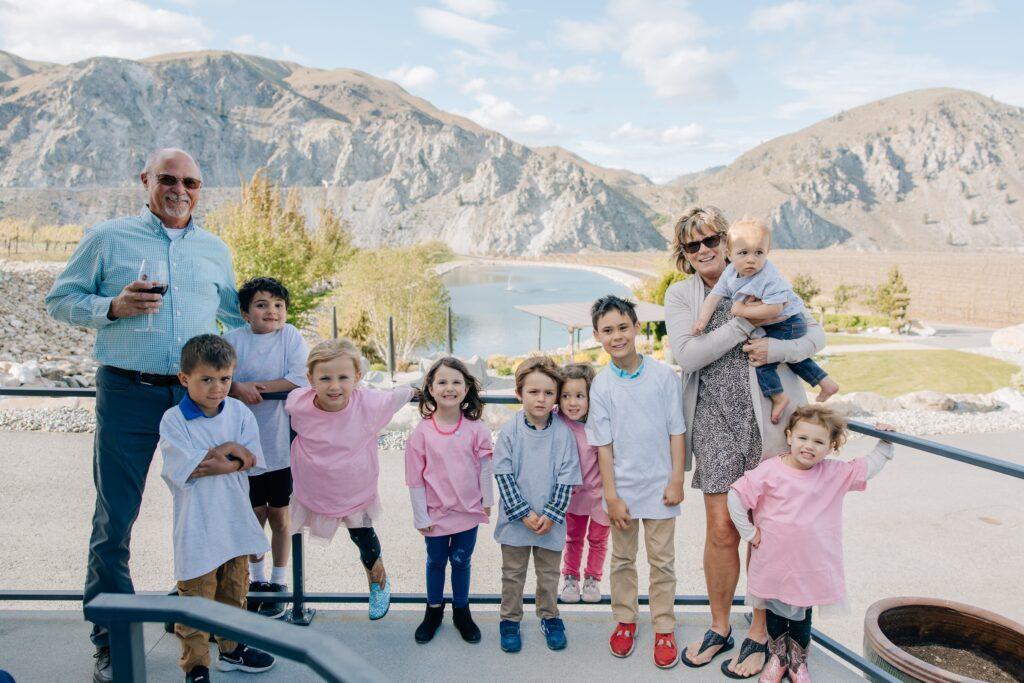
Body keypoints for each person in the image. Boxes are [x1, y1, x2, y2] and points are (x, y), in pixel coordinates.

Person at [45, 148, 244, 683]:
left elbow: (236, 314)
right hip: (128, 395)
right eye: (170, 179)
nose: (181, 190)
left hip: (196, 403)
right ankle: (111, 640)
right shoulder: (108, 237)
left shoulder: (214, 249)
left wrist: (293, 365)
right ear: (146, 181)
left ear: (201, 190)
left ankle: (217, 629)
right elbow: (59, 299)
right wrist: (111, 307)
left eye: (193, 182)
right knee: (115, 521)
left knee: (212, 516)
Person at [663, 206, 826, 678]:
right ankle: (719, 627)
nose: (704, 250)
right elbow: (687, 355)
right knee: (721, 531)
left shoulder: (768, 276)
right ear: (684, 254)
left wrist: (777, 348)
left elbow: (814, 336)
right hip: (713, 420)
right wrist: (743, 320)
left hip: (768, 423)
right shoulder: (681, 296)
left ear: (726, 241)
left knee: (763, 529)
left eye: (711, 239)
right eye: (692, 245)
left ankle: (758, 631)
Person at [728, 406, 895, 682]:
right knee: (774, 611)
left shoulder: (832, 473)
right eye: (803, 438)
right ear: (790, 436)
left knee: (801, 616)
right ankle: (778, 657)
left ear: (831, 447)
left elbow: (868, 466)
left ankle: (797, 662)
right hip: (774, 561)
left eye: (819, 442)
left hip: (809, 565)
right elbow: (736, 496)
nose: (809, 446)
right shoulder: (770, 470)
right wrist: (749, 532)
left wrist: (886, 442)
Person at [159, 334, 276, 682]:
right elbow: (190, 467)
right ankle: (196, 666)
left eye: (224, 379)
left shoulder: (239, 412)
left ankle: (231, 649)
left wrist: (223, 452)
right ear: (185, 379)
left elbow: (252, 459)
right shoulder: (173, 420)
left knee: (233, 592)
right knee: (195, 601)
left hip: (234, 522)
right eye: (206, 379)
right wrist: (230, 452)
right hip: (196, 527)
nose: (217, 387)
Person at [586, 295, 687, 670]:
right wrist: (610, 495)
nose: (617, 336)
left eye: (622, 328)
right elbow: (604, 446)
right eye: (608, 330)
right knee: (623, 559)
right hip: (622, 491)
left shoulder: (663, 376)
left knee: (662, 562)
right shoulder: (602, 386)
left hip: (661, 487)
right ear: (597, 335)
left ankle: (663, 625)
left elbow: (677, 432)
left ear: (637, 327)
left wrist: (676, 480)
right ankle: (625, 620)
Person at [285, 338, 414, 620]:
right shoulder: (298, 403)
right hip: (314, 487)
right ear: (310, 379)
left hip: (355, 488)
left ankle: (377, 580)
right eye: (325, 378)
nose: (334, 386)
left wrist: (417, 390)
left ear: (357, 377)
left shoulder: (367, 402)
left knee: (363, 536)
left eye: (343, 377)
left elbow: (397, 395)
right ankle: (282, 591)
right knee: (289, 532)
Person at [692, 218, 838, 423]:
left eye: (758, 253)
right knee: (793, 358)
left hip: (789, 322)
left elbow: (775, 308)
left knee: (762, 360)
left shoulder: (767, 276)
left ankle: (778, 397)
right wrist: (701, 321)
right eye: (743, 253)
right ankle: (825, 381)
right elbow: (714, 296)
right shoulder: (730, 273)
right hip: (779, 321)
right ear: (729, 254)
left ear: (767, 253)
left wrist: (742, 310)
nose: (751, 259)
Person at [223, 277, 309, 619]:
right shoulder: (232, 340)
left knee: (281, 517)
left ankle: (278, 580)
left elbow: (300, 378)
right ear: (245, 312)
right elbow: (221, 378)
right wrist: (237, 387)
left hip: (280, 443)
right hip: (245, 444)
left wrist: (254, 388)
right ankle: (255, 579)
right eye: (261, 305)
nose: (271, 311)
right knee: (252, 515)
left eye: (278, 305)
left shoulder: (290, 337)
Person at [494, 356, 582, 654]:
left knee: (548, 575)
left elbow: (568, 478)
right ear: (520, 393)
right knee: (513, 574)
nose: (541, 399)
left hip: (550, 523)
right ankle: (509, 619)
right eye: (533, 392)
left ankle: (549, 616)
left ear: (556, 396)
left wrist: (551, 514)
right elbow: (503, 476)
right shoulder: (510, 432)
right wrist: (524, 513)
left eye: (548, 393)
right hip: (516, 522)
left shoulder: (563, 434)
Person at [404, 357, 494, 644]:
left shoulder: (476, 429)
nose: (449, 388)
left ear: (466, 389)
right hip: (435, 513)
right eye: (442, 382)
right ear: (430, 388)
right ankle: (433, 611)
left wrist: (487, 502)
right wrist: (421, 515)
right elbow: (415, 479)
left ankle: (461, 610)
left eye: (456, 382)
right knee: (436, 561)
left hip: (468, 511)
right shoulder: (421, 433)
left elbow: (485, 467)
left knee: (462, 561)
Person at [556, 362, 609, 605]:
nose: (572, 402)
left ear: (590, 397)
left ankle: (592, 579)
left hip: (599, 495)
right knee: (573, 538)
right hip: (571, 496)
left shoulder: (599, 423)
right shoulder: (557, 421)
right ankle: (570, 577)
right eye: (565, 396)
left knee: (598, 539)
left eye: (579, 396)